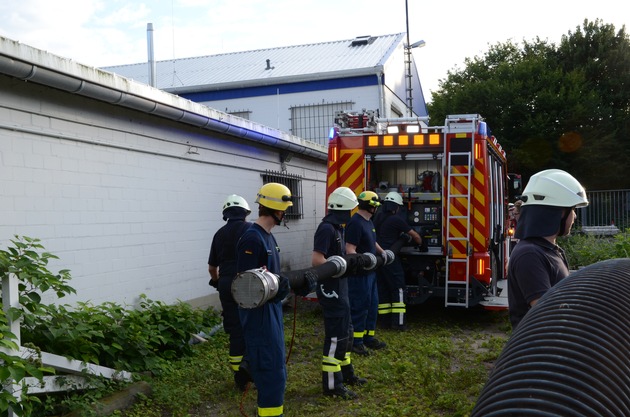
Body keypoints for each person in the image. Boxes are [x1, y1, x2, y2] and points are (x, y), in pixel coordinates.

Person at [236, 183, 292, 417]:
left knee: (276, 368)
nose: (285, 213)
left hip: (271, 311)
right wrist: (279, 288)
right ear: (277, 210)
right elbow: (248, 289)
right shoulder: (252, 239)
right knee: (270, 371)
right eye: (284, 209)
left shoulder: (268, 237)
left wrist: (289, 285)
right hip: (259, 316)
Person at [507, 169, 588, 329]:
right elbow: (548, 314)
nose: (575, 217)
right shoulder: (529, 255)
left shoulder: (549, 251)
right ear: (557, 213)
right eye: (572, 210)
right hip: (540, 349)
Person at [312, 187, 367, 400]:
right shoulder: (326, 229)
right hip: (331, 291)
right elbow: (317, 261)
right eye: (350, 210)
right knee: (336, 337)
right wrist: (340, 266)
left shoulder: (338, 228)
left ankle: (346, 374)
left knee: (347, 333)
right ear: (342, 210)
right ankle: (333, 386)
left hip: (340, 288)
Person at [208, 194, 252, 391]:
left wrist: (218, 283)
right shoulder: (251, 230)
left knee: (235, 329)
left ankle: (238, 377)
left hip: (226, 283)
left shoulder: (218, 234)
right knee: (252, 326)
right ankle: (251, 369)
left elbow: (211, 268)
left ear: (226, 214)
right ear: (245, 213)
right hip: (247, 284)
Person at [345, 190, 388, 355]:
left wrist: (382, 252)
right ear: (372, 207)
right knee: (359, 307)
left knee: (372, 305)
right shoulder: (355, 223)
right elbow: (350, 249)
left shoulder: (368, 222)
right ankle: (356, 342)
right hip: (359, 275)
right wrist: (365, 260)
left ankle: (368, 338)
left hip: (370, 273)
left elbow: (372, 241)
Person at [373, 191, 422, 331]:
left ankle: (384, 322)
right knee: (398, 289)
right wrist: (420, 243)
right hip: (390, 259)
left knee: (382, 289)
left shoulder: (377, 217)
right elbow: (415, 236)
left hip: (378, 259)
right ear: (397, 207)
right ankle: (399, 324)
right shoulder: (396, 219)